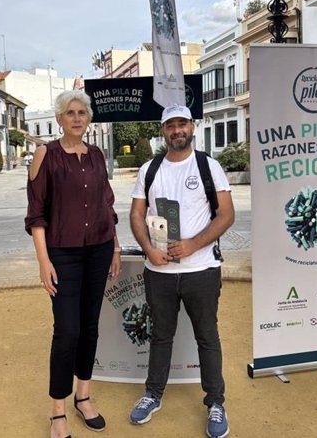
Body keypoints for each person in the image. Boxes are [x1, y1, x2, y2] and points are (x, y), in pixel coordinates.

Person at [129, 104, 235, 438]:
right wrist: (149, 250)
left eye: (182, 124)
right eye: (170, 125)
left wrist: (193, 245)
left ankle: (215, 402)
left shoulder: (209, 166)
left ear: (192, 127)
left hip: (201, 269)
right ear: (164, 130)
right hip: (157, 271)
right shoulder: (149, 169)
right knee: (160, 335)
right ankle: (153, 394)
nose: (177, 130)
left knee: (207, 336)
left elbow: (226, 215)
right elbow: (135, 215)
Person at [25, 90, 121, 438]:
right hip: (62, 254)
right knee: (67, 332)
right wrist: (43, 260)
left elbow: (106, 205)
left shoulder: (96, 155)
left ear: (88, 118)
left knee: (90, 327)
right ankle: (57, 411)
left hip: (98, 249)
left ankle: (84, 396)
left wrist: (115, 246)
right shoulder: (45, 155)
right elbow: (36, 214)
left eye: (82, 112)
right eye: (70, 112)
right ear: (59, 119)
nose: (77, 118)